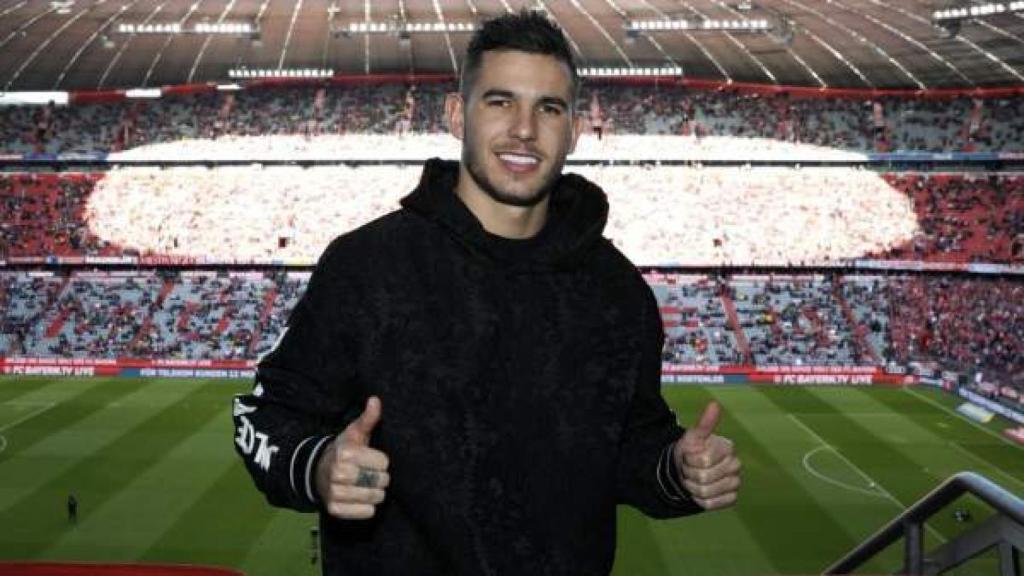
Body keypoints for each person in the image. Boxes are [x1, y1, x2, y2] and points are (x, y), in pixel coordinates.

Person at [233, 10, 740, 575]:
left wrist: (676, 467)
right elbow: (263, 416)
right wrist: (319, 465)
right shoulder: (368, 266)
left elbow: (627, 447)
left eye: (549, 108)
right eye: (500, 102)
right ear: (457, 114)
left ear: (575, 129)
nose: (524, 128)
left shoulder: (617, 291)